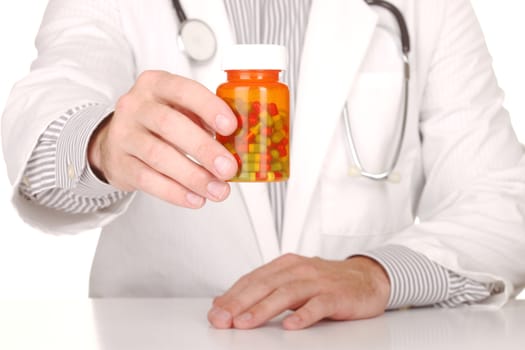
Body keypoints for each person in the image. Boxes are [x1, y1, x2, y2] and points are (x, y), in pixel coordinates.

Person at [2, 0, 524, 330]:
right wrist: (99, 146)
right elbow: (53, 95)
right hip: (164, 337)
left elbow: (504, 202)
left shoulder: (429, 9)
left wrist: (378, 275)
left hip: (356, 341)